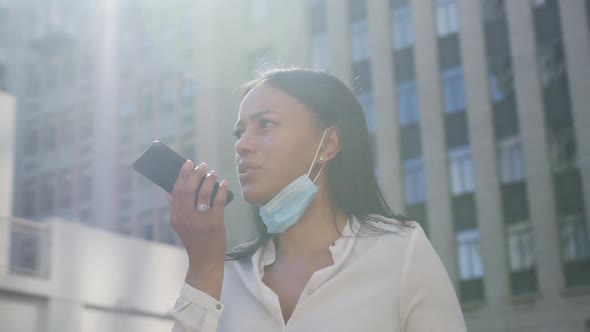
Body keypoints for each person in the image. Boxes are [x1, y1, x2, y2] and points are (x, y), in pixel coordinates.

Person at [167, 68, 467, 331]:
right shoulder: (225, 276)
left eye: (265, 124)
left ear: (329, 143)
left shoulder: (400, 250)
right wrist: (204, 267)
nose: (242, 145)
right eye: (239, 133)